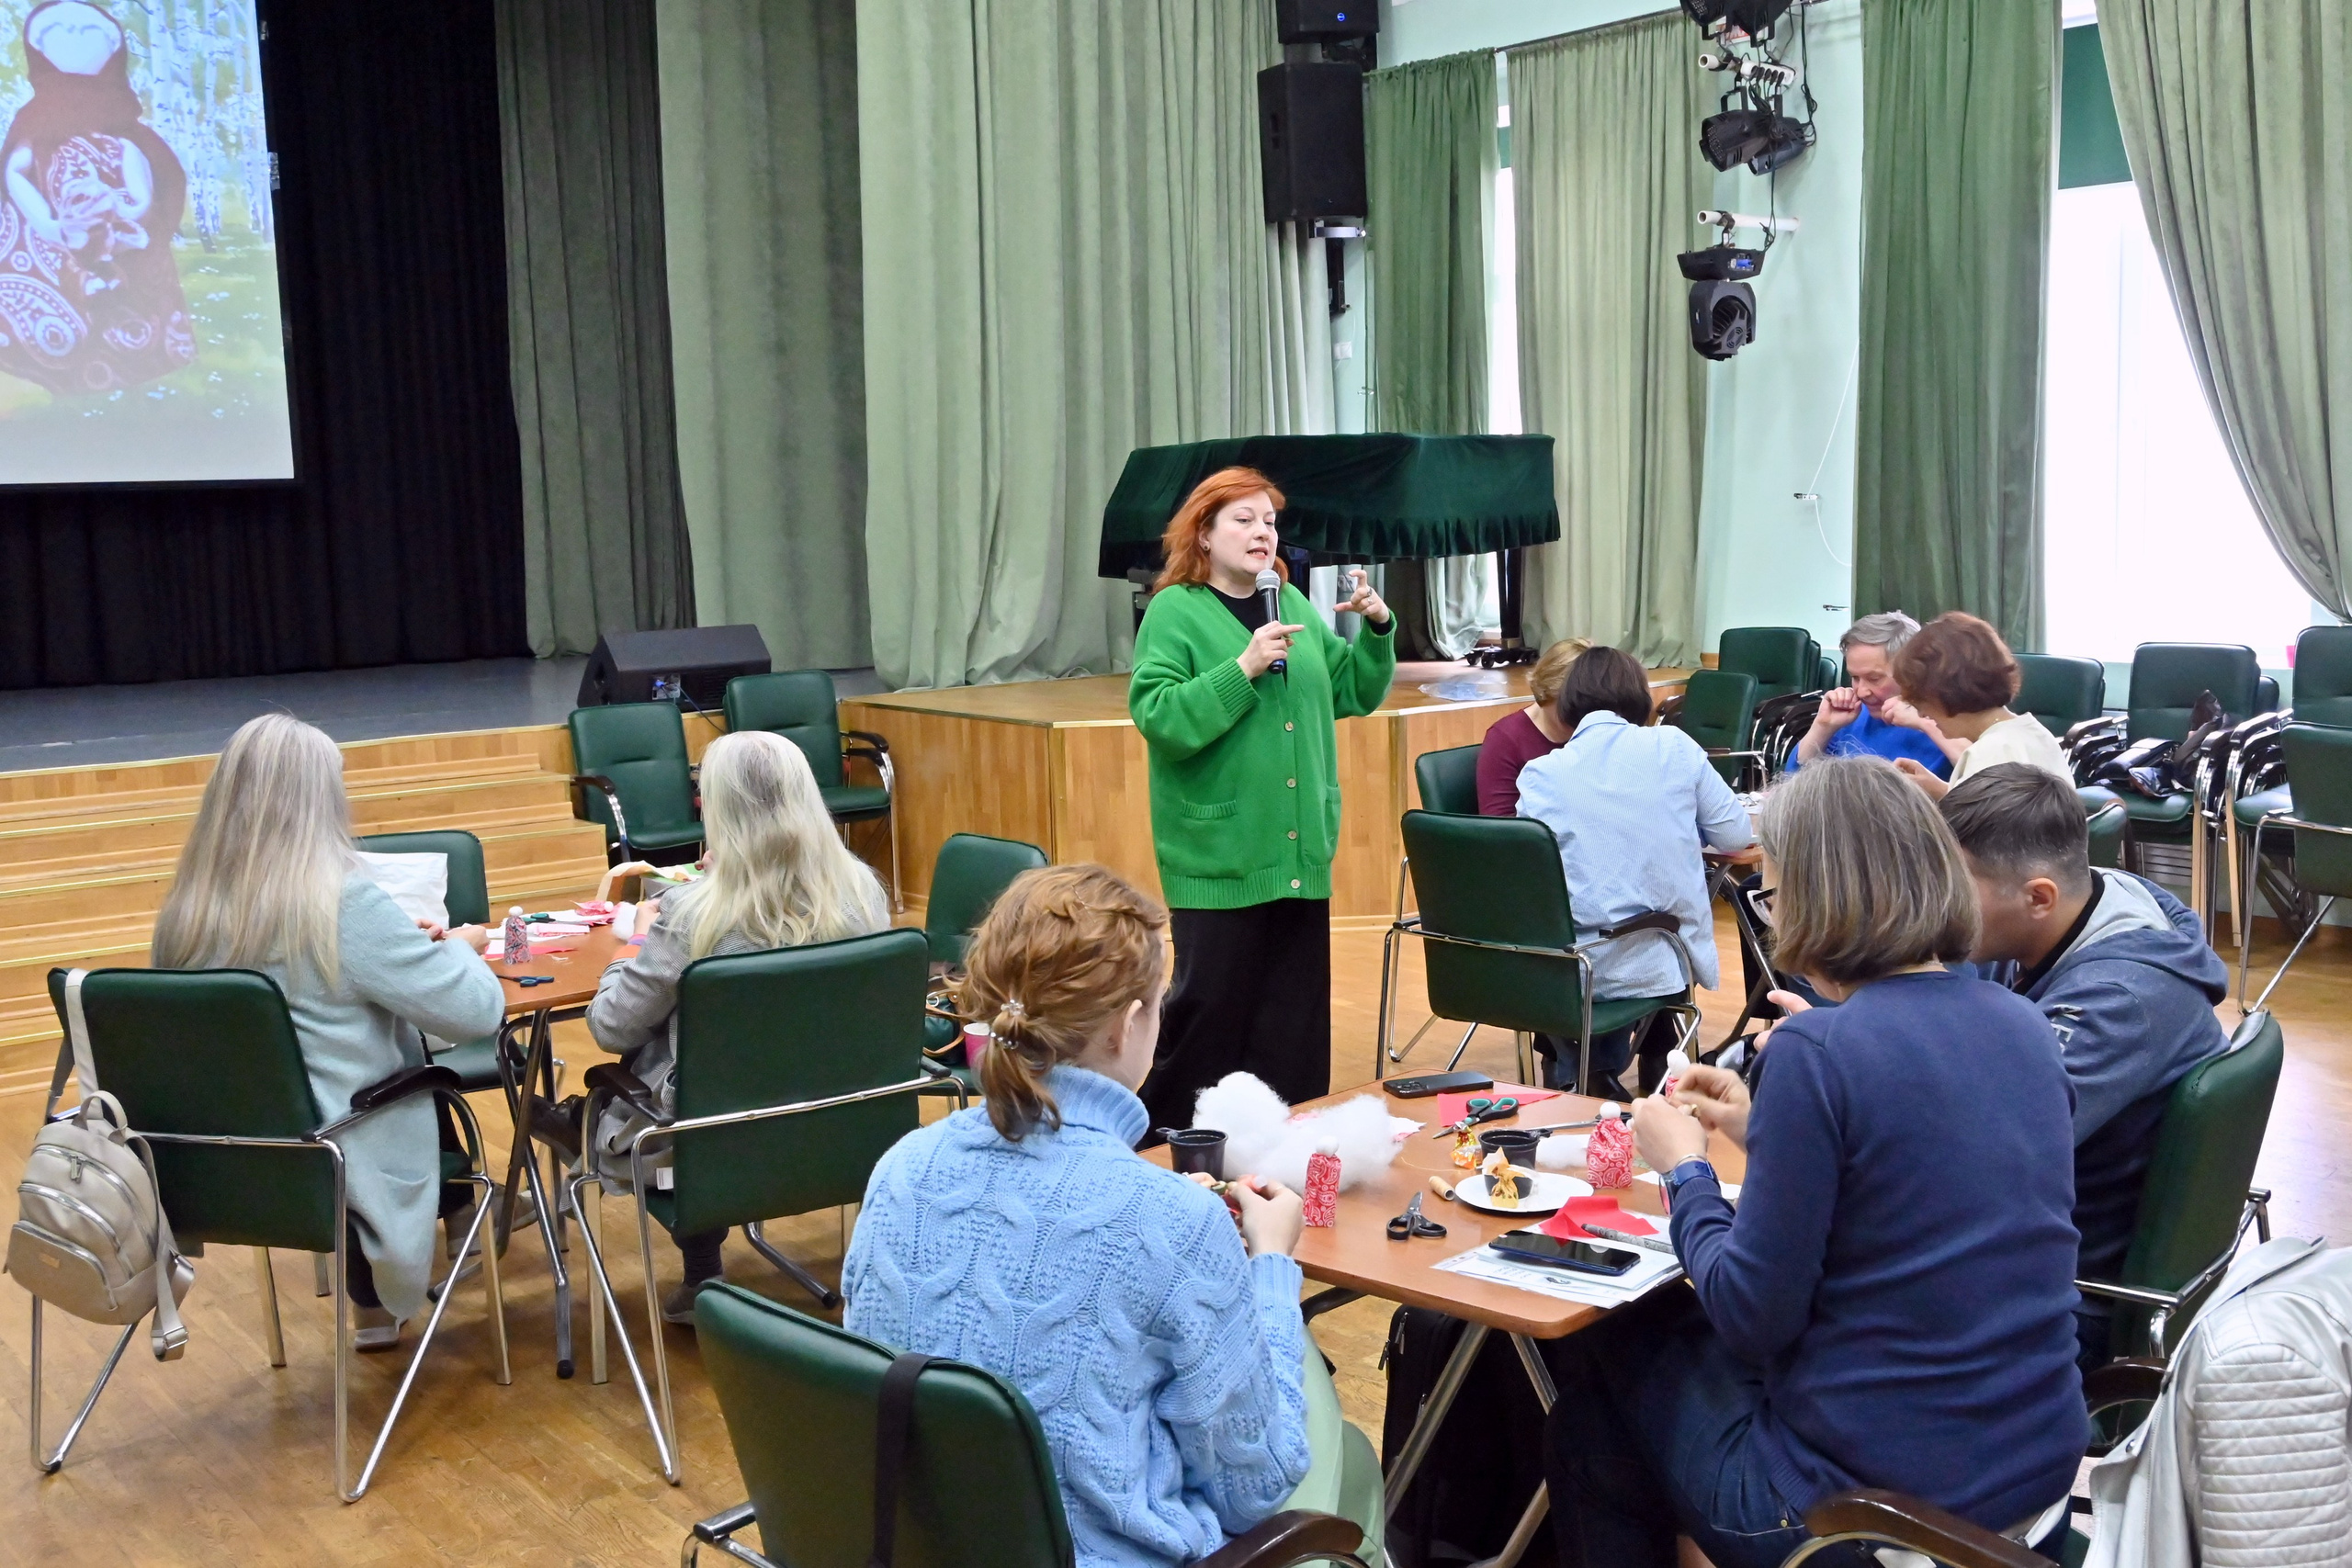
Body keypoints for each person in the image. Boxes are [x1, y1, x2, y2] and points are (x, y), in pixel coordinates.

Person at [1540, 757, 2087, 1568]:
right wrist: (1765, 1127)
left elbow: (1751, 1313)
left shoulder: (1817, 1050)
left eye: (1775, 890)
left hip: (1874, 1516)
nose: (1772, 914)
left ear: (1818, 897)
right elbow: (1912, 1195)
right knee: (1596, 1428)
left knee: (1617, 1348)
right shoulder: (2021, 1022)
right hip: (2034, 1483)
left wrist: (1685, 1168)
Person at [844, 865, 1380, 1568]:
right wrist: (1272, 1270)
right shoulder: (1172, 1222)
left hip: (915, 1545)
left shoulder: (900, 1169)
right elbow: (1255, 1489)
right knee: (1350, 1459)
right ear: (1129, 1026)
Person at [151, 715, 503, 1352]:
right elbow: (477, 1012)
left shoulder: (184, 915)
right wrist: (460, 947)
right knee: (399, 1077)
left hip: (226, 1167)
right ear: (320, 803)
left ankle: (376, 1301)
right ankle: (437, 1243)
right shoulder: (342, 905)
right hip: (335, 1160)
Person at [586, 730, 889, 1321]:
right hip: (843, 1127)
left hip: (717, 1136)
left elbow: (611, 1029)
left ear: (718, 810)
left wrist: (632, 949)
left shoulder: (690, 914)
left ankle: (704, 1271)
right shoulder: (864, 894)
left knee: (664, 1055)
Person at [1129, 466, 1396, 1124]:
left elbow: (1350, 691)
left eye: (1269, 520)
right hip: (1220, 852)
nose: (1261, 532)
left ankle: (1285, 1155)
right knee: (1206, 1021)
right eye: (1243, 519)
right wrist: (1243, 666)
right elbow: (1159, 715)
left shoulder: (1292, 604)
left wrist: (1380, 627)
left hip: (1299, 853)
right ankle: (1163, 1151)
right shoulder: (1174, 611)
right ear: (1204, 534)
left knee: (1293, 1026)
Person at [1939, 762, 2231, 1365]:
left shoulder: (2117, 1001)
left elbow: (1974, 1155)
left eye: (1954, 888)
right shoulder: (2111, 898)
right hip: (2049, 1237)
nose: (1937, 906)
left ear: (2038, 896)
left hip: (2070, 1297)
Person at [1514, 646, 1751, 1095]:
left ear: (1567, 705)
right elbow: (1735, 837)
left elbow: (1533, 875)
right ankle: (1648, 1078)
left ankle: (1588, 1077)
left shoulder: (1539, 772)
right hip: (1658, 954)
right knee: (1663, 924)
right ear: (1640, 698)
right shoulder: (1672, 745)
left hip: (1569, 965)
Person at [0, 3, 197, 397]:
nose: (74, 40)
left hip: (119, 233)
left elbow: (145, 175)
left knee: (130, 294)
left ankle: (139, 354)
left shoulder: (125, 132)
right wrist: (48, 225)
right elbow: (15, 173)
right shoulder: (36, 123)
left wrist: (130, 210)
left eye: (87, 33)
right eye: (60, 31)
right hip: (51, 238)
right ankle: (47, 352)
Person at [1888, 611, 2073, 800]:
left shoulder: (1989, 754)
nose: (1922, 712)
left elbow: (1980, 827)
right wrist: (1942, 791)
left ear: (1946, 692)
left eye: (1921, 700)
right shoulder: (2035, 734)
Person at [1786, 612, 1951, 778]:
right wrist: (1823, 727)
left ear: (1912, 671)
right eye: (1855, 677)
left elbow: (1975, 776)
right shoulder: (1853, 716)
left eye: (1874, 679)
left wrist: (1925, 724)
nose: (1861, 691)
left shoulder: (1949, 717)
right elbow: (1794, 780)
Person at [1476, 637, 1589, 817]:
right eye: (1569, 706)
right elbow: (1499, 828)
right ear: (1547, 691)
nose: (1579, 717)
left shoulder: (1598, 728)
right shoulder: (1505, 739)